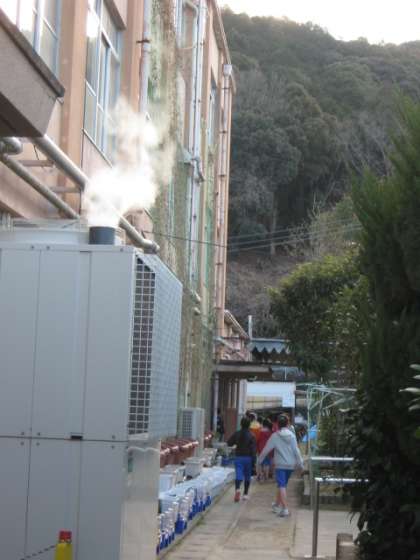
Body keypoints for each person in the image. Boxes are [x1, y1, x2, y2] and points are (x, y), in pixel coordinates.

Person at [258, 414, 304, 517]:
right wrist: (301, 464)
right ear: (287, 424)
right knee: (282, 485)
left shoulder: (275, 436)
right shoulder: (292, 436)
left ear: (277, 424)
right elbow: (296, 451)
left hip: (280, 465)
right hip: (291, 465)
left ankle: (285, 509)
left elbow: (266, 450)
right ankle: (277, 504)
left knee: (281, 485)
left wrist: (259, 461)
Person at [227, 417, 257, 502]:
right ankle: (245, 494)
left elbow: (229, 443)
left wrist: (235, 443)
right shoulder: (252, 435)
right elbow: (253, 450)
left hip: (238, 457)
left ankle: (237, 489)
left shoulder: (237, 433)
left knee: (239, 475)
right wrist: (254, 461)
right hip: (248, 458)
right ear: (249, 425)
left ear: (241, 424)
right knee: (247, 476)